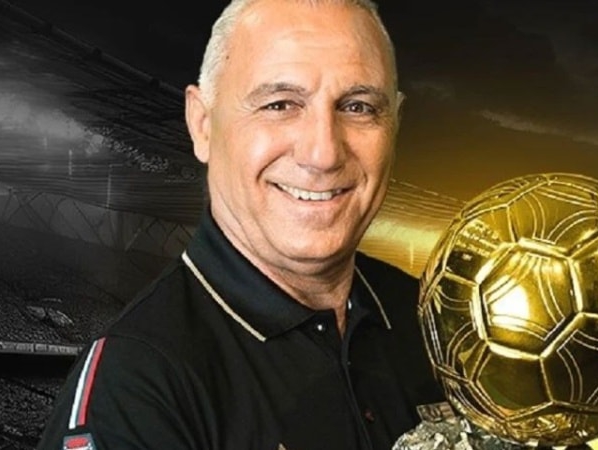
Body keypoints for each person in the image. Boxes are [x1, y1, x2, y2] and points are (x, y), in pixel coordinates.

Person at [37, 0, 445, 448]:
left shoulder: (440, 320)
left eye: (358, 107)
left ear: (395, 124)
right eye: (280, 104)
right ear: (202, 124)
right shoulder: (133, 388)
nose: (324, 153)